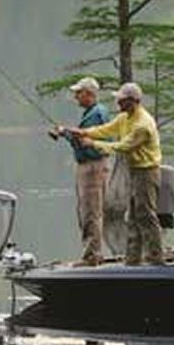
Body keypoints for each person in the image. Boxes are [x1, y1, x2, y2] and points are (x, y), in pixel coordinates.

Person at [63, 83, 163, 264]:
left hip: (147, 172)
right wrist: (83, 132)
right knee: (132, 216)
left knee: (146, 214)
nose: (117, 102)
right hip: (134, 171)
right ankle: (133, 259)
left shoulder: (143, 125)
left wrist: (93, 144)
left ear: (133, 101)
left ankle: (155, 257)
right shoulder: (124, 117)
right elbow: (106, 129)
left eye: (121, 100)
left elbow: (123, 146)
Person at [50, 77, 113, 265]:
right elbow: (82, 138)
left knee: (90, 212)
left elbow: (87, 144)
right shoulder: (94, 112)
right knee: (89, 212)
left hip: (92, 167)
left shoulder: (95, 114)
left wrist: (65, 133)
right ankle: (92, 253)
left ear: (89, 93)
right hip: (93, 166)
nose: (76, 96)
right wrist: (67, 133)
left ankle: (92, 256)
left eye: (79, 92)